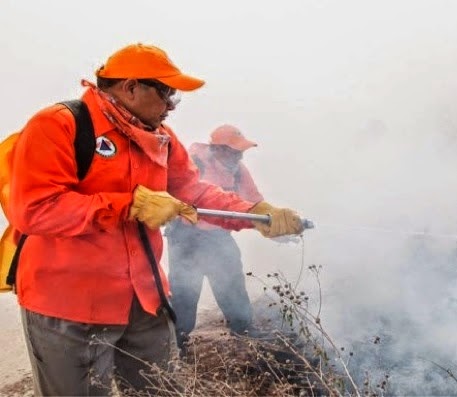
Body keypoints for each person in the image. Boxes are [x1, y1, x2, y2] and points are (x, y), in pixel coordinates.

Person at [8, 43, 304, 396]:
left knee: (160, 390)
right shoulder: (59, 125)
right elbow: (34, 209)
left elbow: (192, 191)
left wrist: (255, 214)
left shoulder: (162, 138)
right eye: (167, 94)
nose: (171, 106)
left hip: (142, 298)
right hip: (70, 305)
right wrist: (129, 205)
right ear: (132, 87)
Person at [167, 124, 265, 352]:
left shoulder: (238, 170)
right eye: (234, 151)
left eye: (241, 151)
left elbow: (255, 202)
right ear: (218, 149)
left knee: (233, 288)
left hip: (219, 238)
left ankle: (246, 337)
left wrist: (272, 224)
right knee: (184, 295)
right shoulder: (193, 164)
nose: (240, 155)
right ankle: (175, 348)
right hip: (186, 239)